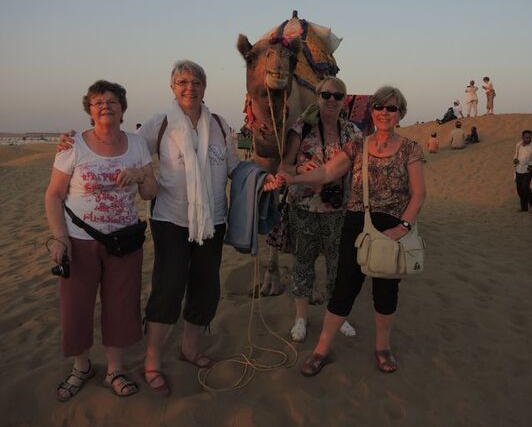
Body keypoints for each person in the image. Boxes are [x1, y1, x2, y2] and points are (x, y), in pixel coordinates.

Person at [57, 60, 276, 397]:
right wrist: (72, 141)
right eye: (182, 82)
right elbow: (122, 145)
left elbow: (235, 166)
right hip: (170, 219)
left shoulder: (219, 124)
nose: (190, 87)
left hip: (213, 221)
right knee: (169, 287)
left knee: (206, 287)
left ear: (205, 87)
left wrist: (263, 177)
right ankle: (152, 361)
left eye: (196, 82)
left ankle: (190, 349)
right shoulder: (159, 124)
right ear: (173, 87)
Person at [277, 85, 426, 376]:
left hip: (394, 225)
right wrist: (291, 178)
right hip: (358, 223)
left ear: (400, 113)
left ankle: (383, 348)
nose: (385, 113)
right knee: (344, 287)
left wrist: (402, 228)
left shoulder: (411, 149)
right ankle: (321, 350)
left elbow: (419, 194)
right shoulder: (358, 145)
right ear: (372, 111)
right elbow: (328, 172)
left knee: (386, 291)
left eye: (392, 108)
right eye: (380, 107)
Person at [45, 80, 158, 401]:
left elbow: (151, 192)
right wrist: (59, 238)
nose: (105, 106)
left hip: (124, 241)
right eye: (97, 102)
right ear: (89, 109)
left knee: (121, 305)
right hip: (79, 241)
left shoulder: (136, 145)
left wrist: (140, 176)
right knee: (76, 307)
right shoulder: (73, 145)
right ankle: (82, 366)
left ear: (123, 109)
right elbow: (53, 195)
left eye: (111, 101)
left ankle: (114, 370)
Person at [279, 76, 362, 342]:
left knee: (338, 267)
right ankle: (301, 318)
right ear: (318, 96)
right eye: (326, 94)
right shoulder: (300, 129)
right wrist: (299, 169)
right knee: (303, 264)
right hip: (303, 209)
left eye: (338, 96)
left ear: (344, 101)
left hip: (339, 212)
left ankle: (338, 316)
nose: (331, 100)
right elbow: (284, 168)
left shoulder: (352, 133)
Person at [513, 130, 532, 212]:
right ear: (522, 137)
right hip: (518, 169)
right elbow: (516, 154)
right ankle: (524, 208)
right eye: (526, 137)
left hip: (528, 170)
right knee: (519, 190)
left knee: (525, 187)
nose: (528, 139)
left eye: (529, 137)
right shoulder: (518, 145)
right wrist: (515, 159)